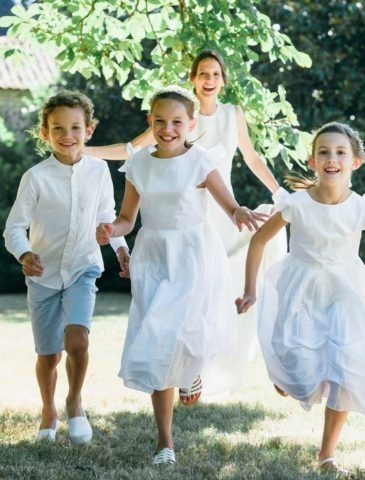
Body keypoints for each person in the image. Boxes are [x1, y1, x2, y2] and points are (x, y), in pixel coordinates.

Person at [87, 50, 285, 403]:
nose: (209, 79)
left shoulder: (229, 115)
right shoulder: (171, 118)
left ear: (223, 80)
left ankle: (200, 368)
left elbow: (251, 157)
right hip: (171, 218)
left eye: (215, 73)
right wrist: (84, 151)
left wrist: (277, 192)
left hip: (220, 217)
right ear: (193, 78)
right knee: (175, 303)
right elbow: (132, 151)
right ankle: (182, 372)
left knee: (210, 301)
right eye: (202, 73)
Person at [235, 122, 365, 472]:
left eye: (340, 152)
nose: (331, 158)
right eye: (323, 152)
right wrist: (250, 289)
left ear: (355, 161)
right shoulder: (296, 205)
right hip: (300, 288)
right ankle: (286, 376)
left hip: (347, 291)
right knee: (297, 367)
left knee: (347, 366)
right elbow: (259, 240)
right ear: (312, 161)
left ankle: (326, 453)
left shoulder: (362, 208)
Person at [96, 86, 265, 465]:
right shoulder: (138, 164)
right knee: (156, 336)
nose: (168, 129)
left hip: (193, 253)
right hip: (153, 254)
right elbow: (127, 219)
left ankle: (190, 372)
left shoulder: (201, 161)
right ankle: (165, 443)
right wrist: (111, 229)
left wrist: (239, 213)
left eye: (176, 122)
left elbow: (229, 204)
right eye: (160, 121)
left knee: (184, 326)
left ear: (191, 124)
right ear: (149, 122)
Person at [3, 90, 129, 445]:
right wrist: (25, 254)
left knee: (77, 339)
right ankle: (48, 408)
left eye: (75, 127)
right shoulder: (36, 177)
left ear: (89, 130)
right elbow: (14, 227)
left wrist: (119, 247)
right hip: (43, 277)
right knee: (48, 355)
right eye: (58, 128)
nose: (67, 135)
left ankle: (75, 401)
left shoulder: (99, 171)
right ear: (45, 132)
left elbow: (108, 218)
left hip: (82, 268)